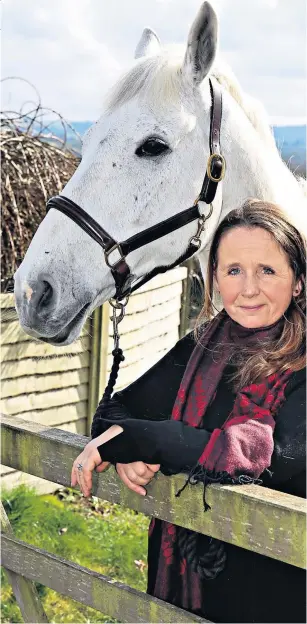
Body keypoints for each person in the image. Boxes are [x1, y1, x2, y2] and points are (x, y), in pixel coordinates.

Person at [71, 199, 306, 624]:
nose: (248, 288)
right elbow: (113, 411)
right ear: (215, 278)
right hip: (196, 588)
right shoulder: (205, 346)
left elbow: (275, 460)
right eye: (233, 270)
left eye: (267, 270)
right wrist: (126, 448)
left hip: (281, 590)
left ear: (298, 283)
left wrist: (141, 441)